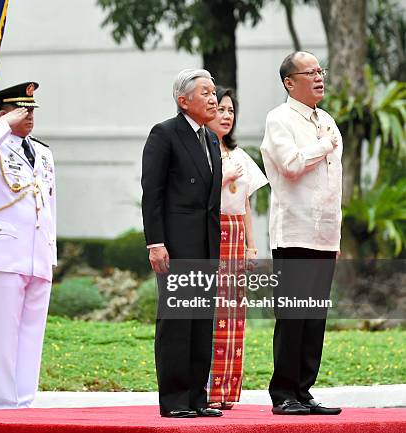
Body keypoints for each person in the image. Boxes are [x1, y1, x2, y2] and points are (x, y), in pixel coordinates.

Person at [260, 51, 342, 416]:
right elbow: (291, 164)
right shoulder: (278, 119)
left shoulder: (326, 119)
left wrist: (335, 236)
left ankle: (304, 390)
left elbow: (333, 185)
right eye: (310, 72)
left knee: (314, 318)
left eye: (320, 70)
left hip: (324, 234)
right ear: (289, 82)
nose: (319, 77)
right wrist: (324, 145)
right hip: (294, 232)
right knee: (292, 316)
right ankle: (283, 392)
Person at [141, 68, 223, 418]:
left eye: (213, 92)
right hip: (176, 244)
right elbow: (152, 192)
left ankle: (196, 398)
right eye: (204, 92)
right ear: (183, 100)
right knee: (177, 322)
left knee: (201, 322)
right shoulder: (165, 133)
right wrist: (156, 242)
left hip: (205, 245)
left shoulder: (212, 139)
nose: (213, 98)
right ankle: (174, 399)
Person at [0, 82, 56, 409]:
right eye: (23, 110)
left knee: (31, 335)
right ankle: (4, 403)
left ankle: (25, 401)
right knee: (3, 335)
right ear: (3, 113)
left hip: (37, 253)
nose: (30, 116)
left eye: (32, 109)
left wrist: (51, 252)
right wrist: (3, 125)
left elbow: (50, 205)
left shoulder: (44, 152)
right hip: (3, 255)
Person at [205, 87, 268, 409]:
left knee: (234, 316)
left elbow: (244, 205)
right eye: (220, 110)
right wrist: (220, 176)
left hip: (235, 236)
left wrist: (251, 247)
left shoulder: (240, 155)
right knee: (212, 314)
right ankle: (206, 392)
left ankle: (228, 393)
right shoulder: (201, 154)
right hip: (211, 235)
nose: (226, 116)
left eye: (230, 111)